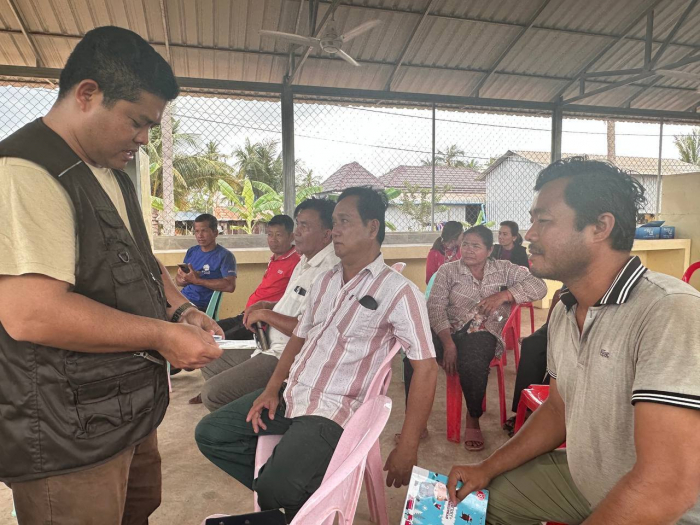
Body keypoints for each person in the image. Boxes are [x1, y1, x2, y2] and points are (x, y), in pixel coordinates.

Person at [0, 26, 224, 525]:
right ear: (87, 94)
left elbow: (142, 261)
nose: (144, 139)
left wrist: (181, 310)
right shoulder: (25, 172)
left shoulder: (110, 173)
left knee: (136, 511)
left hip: (122, 412)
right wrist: (162, 336)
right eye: (136, 122)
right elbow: (32, 313)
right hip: (66, 433)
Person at [447, 157, 700, 524]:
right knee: (472, 504)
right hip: (587, 481)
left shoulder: (669, 311)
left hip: (663, 512)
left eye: (544, 220)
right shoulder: (567, 309)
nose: (530, 234)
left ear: (600, 227)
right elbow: (558, 409)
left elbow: (666, 486)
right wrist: (486, 467)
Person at [195, 187, 438, 521]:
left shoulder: (400, 293)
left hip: (333, 409)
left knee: (274, 489)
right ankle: (309, 493)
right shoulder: (325, 280)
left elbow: (426, 368)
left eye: (344, 221)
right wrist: (271, 388)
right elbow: (299, 336)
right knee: (211, 434)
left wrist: (408, 444)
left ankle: (293, 490)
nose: (335, 230)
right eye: (334, 222)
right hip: (292, 393)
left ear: (372, 228)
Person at [406, 225, 546, 451]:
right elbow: (435, 307)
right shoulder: (448, 271)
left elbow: (539, 286)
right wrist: (448, 343)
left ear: (489, 250)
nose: (468, 250)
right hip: (447, 329)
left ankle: (473, 418)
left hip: (483, 330)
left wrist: (504, 295)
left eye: (476, 246)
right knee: (414, 356)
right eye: (465, 244)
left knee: (473, 362)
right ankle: (416, 422)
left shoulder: (503, 269)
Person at [199, 198, 339, 412]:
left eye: (304, 226)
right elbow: (295, 305)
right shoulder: (305, 261)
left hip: (285, 355)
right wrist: (267, 305)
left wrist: (265, 314)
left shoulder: (328, 271)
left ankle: (252, 417)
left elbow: (308, 330)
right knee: (209, 359)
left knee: (212, 393)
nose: (297, 232)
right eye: (298, 224)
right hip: (267, 343)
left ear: (327, 234)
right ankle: (245, 409)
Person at [217, 214, 300, 340]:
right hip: (248, 314)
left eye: (278, 235)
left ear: (291, 237)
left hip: (262, 322)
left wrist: (264, 311)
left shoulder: (297, 262)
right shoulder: (274, 258)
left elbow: (291, 302)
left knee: (217, 338)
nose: (273, 240)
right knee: (211, 327)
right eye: (270, 234)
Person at [177, 213, 237, 311]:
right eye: (196, 231)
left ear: (215, 233)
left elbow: (230, 286)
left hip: (199, 306)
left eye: (204, 231)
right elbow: (178, 282)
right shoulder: (192, 251)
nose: (199, 235)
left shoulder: (225, 256)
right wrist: (185, 278)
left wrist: (198, 280)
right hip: (182, 299)